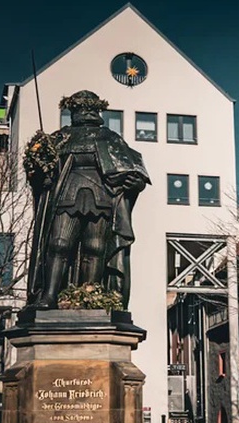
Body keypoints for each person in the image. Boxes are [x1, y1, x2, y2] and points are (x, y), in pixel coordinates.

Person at [24, 90, 150, 310]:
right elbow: (41, 172)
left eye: (89, 108)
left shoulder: (109, 138)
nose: (85, 113)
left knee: (95, 247)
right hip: (66, 195)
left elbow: (134, 169)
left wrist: (135, 183)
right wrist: (41, 174)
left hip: (101, 196)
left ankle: (88, 297)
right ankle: (49, 296)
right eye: (81, 109)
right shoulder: (59, 138)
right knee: (59, 244)